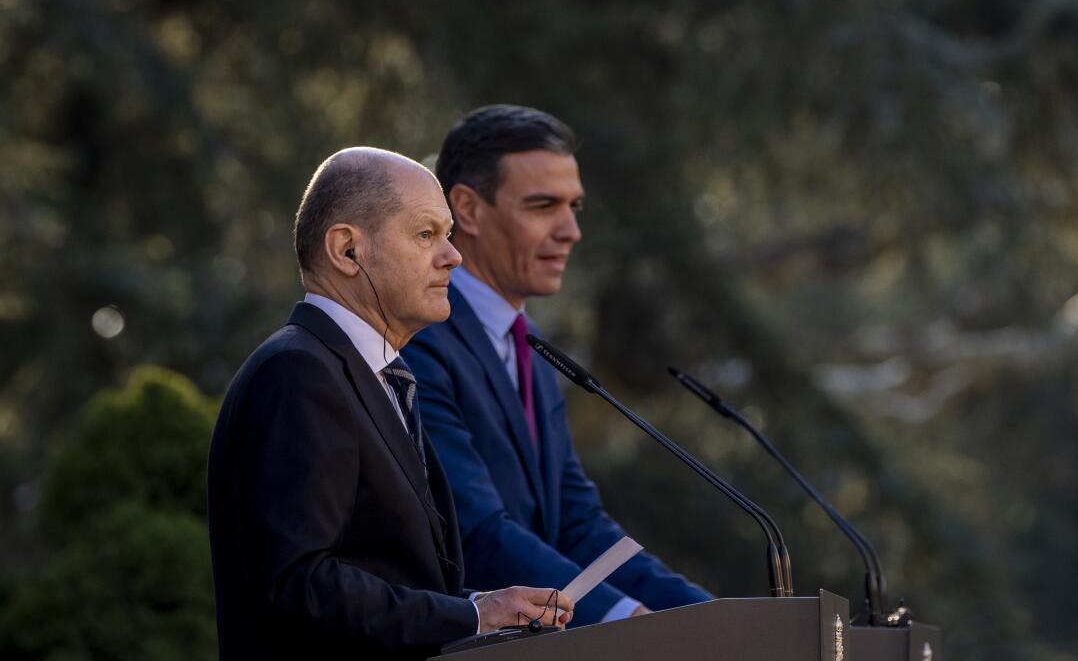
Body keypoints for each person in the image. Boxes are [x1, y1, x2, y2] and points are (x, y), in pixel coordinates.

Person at [207, 148, 573, 661]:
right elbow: (299, 583)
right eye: (426, 235)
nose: (453, 256)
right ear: (347, 250)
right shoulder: (297, 373)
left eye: (448, 235)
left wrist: (484, 607)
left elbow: (388, 575)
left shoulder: (378, 375)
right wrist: (470, 617)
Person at [405, 106, 712, 628]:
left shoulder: (533, 347)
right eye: (543, 205)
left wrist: (710, 617)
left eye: (574, 206)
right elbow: (476, 530)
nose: (570, 230)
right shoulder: (420, 339)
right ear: (469, 210)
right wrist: (624, 619)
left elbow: (578, 526)